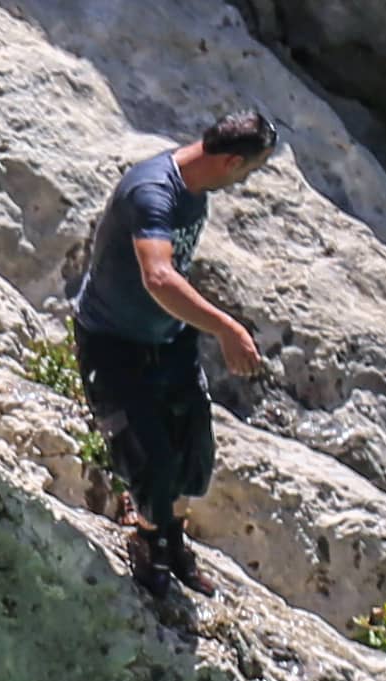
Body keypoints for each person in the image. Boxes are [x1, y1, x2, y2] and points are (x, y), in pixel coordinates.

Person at [73, 111, 277, 603]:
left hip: (167, 338)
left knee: (193, 452)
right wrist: (226, 327)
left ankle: (171, 536)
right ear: (231, 161)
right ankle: (147, 541)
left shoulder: (194, 190)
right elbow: (159, 277)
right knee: (153, 460)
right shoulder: (153, 192)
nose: (244, 180)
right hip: (113, 341)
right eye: (248, 170)